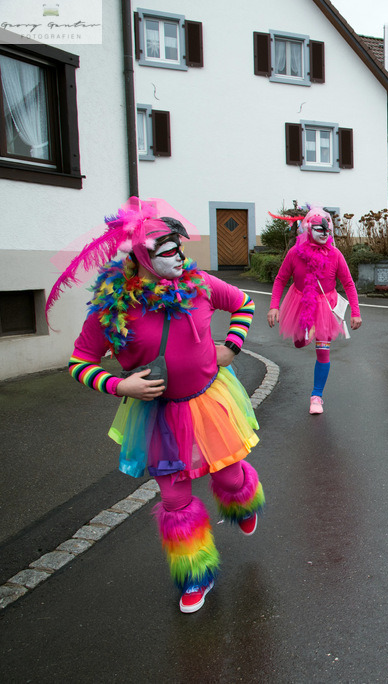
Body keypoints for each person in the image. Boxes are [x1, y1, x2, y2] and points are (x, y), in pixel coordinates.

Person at [48, 197, 265, 613]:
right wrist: (119, 385)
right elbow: (79, 362)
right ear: (142, 258)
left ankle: (243, 497)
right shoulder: (112, 306)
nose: (179, 257)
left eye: (180, 248)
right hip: (160, 416)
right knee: (174, 500)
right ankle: (195, 576)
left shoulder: (198, 284)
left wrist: (233, 346)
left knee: (232, 475)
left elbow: (243, 302)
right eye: (167, 251)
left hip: (209, 402)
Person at [267, 205, 361, 414]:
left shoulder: (335, 254)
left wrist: (355, 312)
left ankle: (316, 396)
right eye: (319, 229)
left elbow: (348, 283)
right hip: (299, 301)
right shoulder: (295, 253)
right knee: (299, 343)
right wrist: (274, 306)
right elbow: (281, 279)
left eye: (326, 230)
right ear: (309, 230)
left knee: (323, 351)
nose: (323, 234)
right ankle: (305, 335)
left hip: (325, 305)